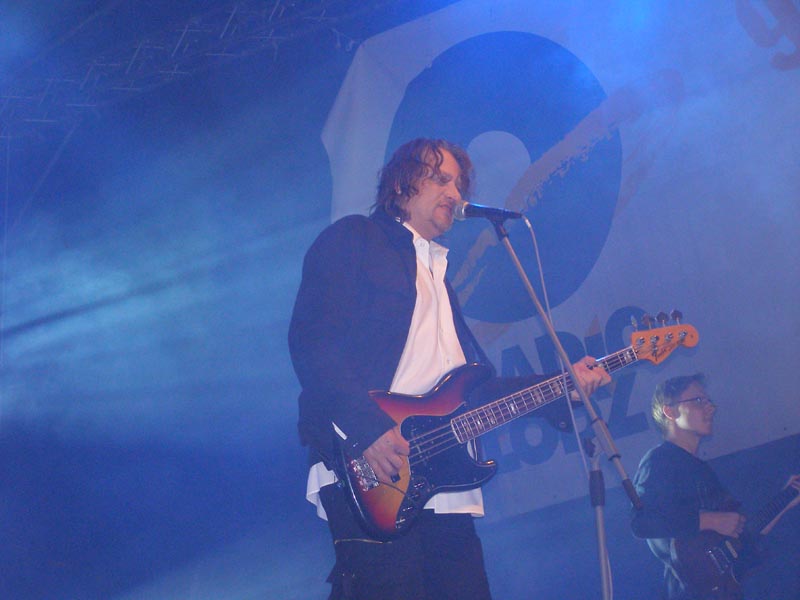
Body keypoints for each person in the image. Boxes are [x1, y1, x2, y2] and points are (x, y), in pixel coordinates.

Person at [288, 137, 610, 600]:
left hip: (442, 477)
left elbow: (474, 392)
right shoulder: (355, 238)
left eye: (459, 184)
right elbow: (312, 340)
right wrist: (367, 429)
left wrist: (564, 387)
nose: (455, 194)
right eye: (441, 179)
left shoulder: (439, 277)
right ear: (401, 183)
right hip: (369, 461)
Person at [630, 373, 800, 600]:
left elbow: (743, 533)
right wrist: (709, 520)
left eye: (709, 401)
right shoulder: (659, 461)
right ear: (669, 411)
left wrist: (787, 499)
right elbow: (642, 522)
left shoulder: (702, 470)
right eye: (698, 401)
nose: (710, 408)